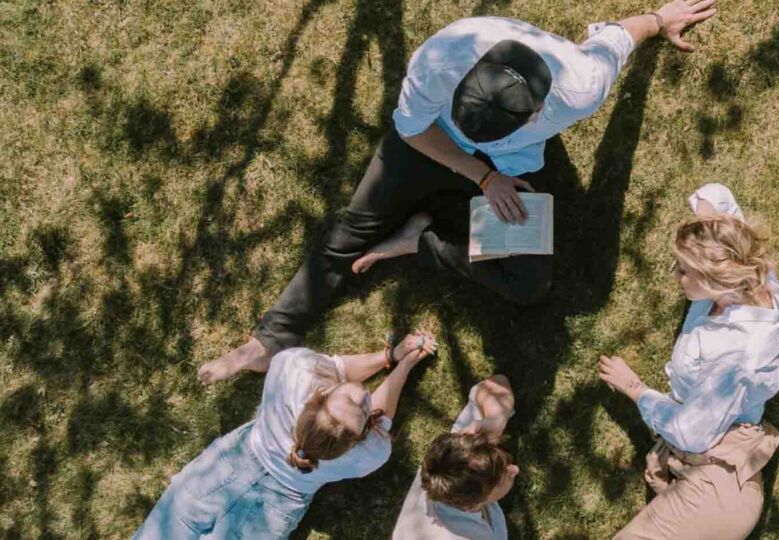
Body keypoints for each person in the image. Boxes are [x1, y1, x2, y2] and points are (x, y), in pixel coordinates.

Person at [197, 0, 718, 385]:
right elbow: (412, 131)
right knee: (352, 232)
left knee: (528, 285)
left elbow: (618, 39)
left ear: (538, 111)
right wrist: (481, 177)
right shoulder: (439, 60)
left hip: (510, 168)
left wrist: (659, 19)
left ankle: (419, 241)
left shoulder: (579, 84)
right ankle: (268, 341)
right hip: (433, 145)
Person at [597, 183, 779, 540]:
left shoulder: (736, 358)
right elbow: (718, 195)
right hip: (709, 463)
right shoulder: (748, 273)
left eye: (684, 270)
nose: (675, 275)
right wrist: (706, 224)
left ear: (715, 278)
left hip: (718, 490)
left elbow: (692, 432)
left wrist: (634, 388)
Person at [134, 331, 437, 539]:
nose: (363, 395)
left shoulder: (294, 372)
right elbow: (380, 417)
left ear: (321, 394)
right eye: (361, 406)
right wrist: (404, 363)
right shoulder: (370, 453)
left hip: (225, 469)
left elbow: (334, 368)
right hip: (274, 507)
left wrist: (392, 355)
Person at [392, 375, 518, 539]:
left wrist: (496, 421)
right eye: (503, 478)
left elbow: (497, 383)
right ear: (471, 506)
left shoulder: (453, 461)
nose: (515, 469)